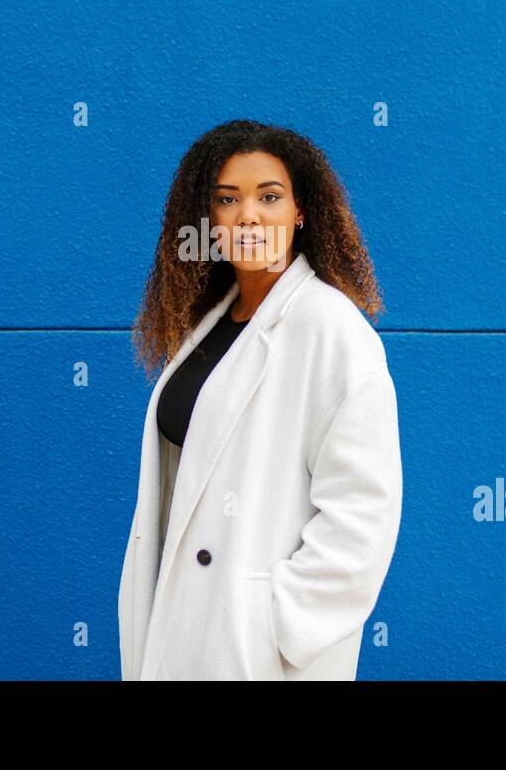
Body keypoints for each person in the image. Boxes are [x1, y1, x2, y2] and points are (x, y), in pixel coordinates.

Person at [119, 119, 402, 680]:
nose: (248, 215)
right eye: (228, 200)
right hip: (183, 630)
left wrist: (274, 623)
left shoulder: (332, 330)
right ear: (209, 220)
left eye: (269, 196)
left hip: (251, 652)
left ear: (301, 211)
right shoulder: (213, 321)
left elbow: (363, 513)